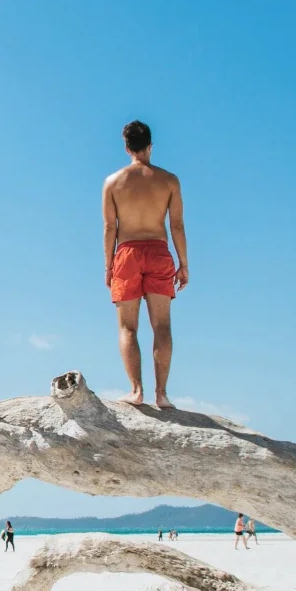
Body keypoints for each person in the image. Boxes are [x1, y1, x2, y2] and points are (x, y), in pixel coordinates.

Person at [102, 120, 189, 409]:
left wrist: (108, 266)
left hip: (127, 252)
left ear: (127, 148)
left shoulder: (113, 182)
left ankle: (136, 390)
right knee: (162, 326)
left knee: (128, 327)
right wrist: (183, 263)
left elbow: (109, 228)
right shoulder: (169, 181)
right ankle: (161, 394)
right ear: (150, 146)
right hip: (158, 252)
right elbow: (177, 225)